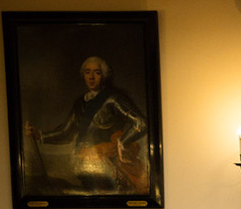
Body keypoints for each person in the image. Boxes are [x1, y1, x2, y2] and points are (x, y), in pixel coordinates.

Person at [24, 56, 149, 194]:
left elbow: (141, 123)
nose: (91, 77)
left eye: (97, 72)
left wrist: (122, 142)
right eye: (87, 72)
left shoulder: (115, 99)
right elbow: (67, 133)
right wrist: (40, 135)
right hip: (83, 163)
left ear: (104, 75)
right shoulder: (80, 102)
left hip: (109, 163)